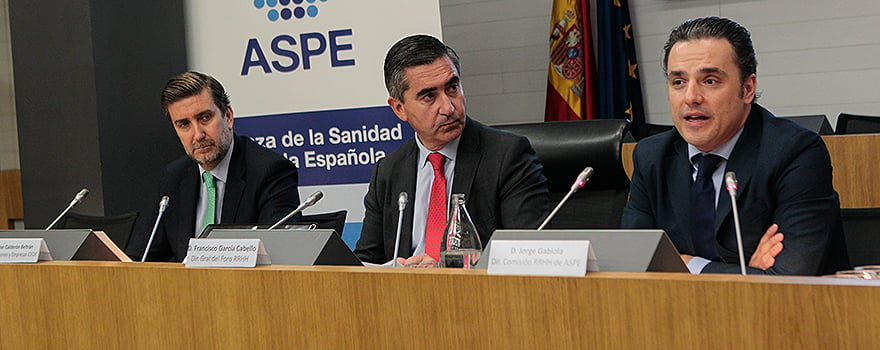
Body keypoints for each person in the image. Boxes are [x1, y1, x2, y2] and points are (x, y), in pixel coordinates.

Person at [621, 17, 848, 275]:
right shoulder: (651, 157)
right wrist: (745, 273)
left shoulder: (795, 153)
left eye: (710, 81)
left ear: (748, 88)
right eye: (678, 82)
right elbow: (632, 266)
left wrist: (686, 264)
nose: (691, 97)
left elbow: (788, 280)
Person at [355, 34, 550, 266]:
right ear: (399, 109)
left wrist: (442, 271)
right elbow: (365, 262)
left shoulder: (507, 156)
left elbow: (529, 254)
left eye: (453, 88)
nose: (448, 107)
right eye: (429, 96)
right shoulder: (388, 171)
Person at [127, 71, 301, 262]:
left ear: (228, 116)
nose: (198, 134)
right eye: (184, 124)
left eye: (205, 118)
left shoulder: (270, 171)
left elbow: (281, 256)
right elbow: (141, 257)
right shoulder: (174, 177)